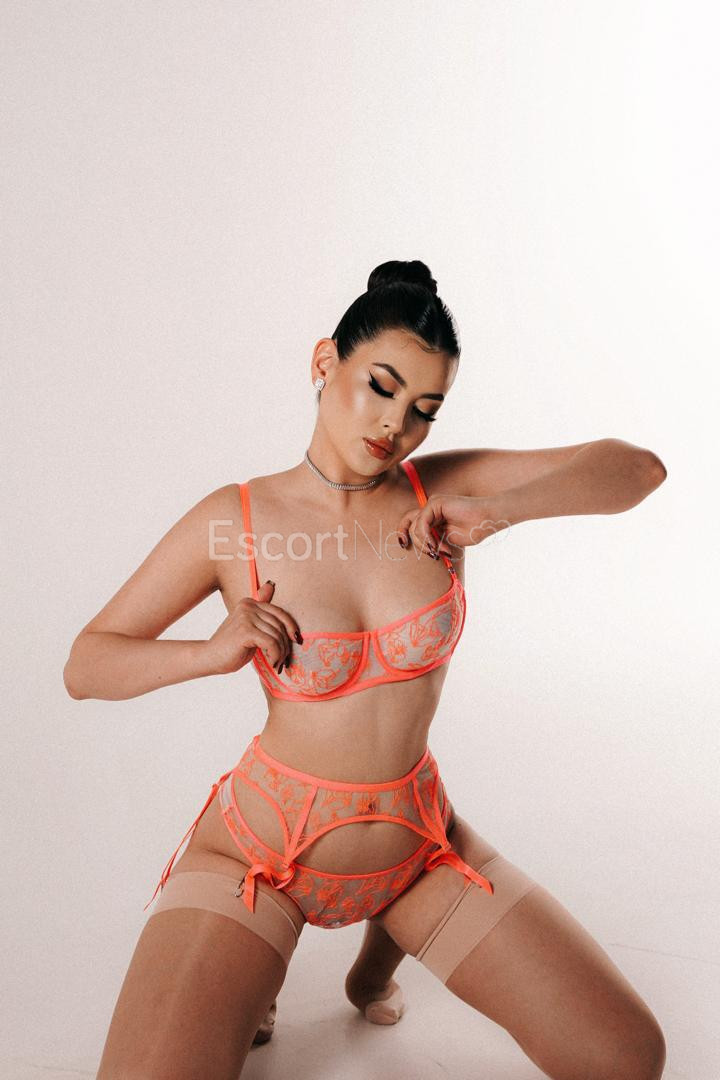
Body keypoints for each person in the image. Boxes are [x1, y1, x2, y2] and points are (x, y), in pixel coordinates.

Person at [65, 260, 668, 1079]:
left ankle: (368, 970)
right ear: (325, 362)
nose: (396, 424)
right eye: (380, 387)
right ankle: (255, 976)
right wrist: (210, 652)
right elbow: (87, 664)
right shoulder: (233, 519)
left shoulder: (440, 490)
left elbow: (635, 470)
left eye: (424, 409)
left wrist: (497, 511)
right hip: (260, 858)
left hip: (418, 848)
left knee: (626, 1057)